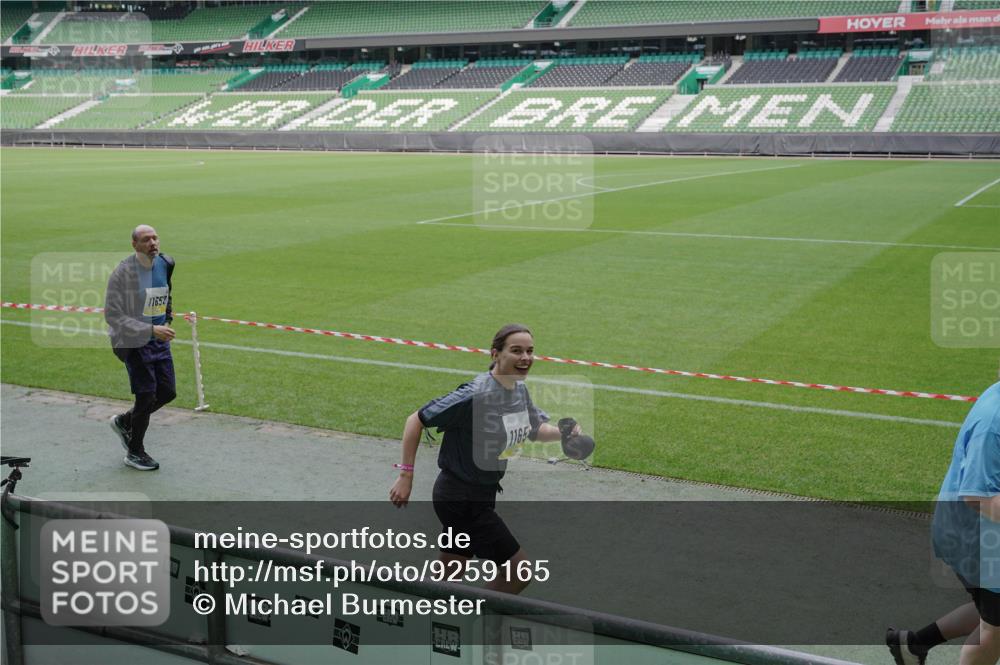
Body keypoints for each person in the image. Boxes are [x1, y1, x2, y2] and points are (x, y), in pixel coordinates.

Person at [389, 323, 582, 594]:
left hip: (480, 494)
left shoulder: (518, 390)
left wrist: (563, 434)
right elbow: (416, 420)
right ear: (495, 354)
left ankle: (416, 614)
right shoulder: (474, 395)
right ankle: (477, 617)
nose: (525, 357)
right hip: (460, 497)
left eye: (530, 351)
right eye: (516, 350)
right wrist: (405, 475)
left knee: (450, 571)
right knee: (519, 571)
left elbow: (534, 428)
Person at [887, 380, 1000, 665]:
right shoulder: (993, 422)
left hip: (975, 532)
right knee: (994, 631)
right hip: (976, 539)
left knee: (990, 612)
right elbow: (978, 497)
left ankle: (914, 645)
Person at [104, 225, 176, 471]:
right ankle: (135, 452)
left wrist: (166, 319)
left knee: (167, 392)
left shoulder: (166, 263)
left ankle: (125, 421)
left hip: (158, 339)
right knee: (146, 397)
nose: (153, 243)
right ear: (134, 244)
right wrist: (151, 330)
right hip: (132, 342)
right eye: (146, 240)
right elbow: (113, 316)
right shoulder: (123, 273)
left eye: (155, 238)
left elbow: (166, 293)